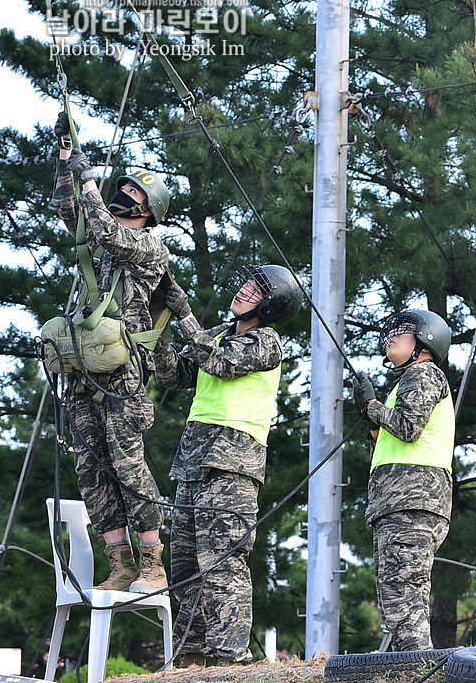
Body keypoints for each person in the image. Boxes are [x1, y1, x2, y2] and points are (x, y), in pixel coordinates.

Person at [154, 264, 301, 667]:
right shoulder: (217, 335)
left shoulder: (267, 342)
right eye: (247, 284)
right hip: (194, 462)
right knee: (185, 567)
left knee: (221, 564)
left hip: (232, 464)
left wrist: (184, 316)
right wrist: (162, 326)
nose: (243, 290)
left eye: (256, 289)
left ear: (271, 305)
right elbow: (171, 374)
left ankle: (229, 659)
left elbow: (220, 363)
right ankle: (192, 657)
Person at [51, 112, 171, 593]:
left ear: (148, 211)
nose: (124, 196)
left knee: (127, 466)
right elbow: (68, 208)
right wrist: (66, 157)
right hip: (84, 371)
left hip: (122, 377)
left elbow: (105, 230)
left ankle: (151, 562)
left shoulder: (147, 246)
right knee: (93, 470)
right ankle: (120, 562)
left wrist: (92, 183)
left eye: (133, 194)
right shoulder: (100, 236)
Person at [351, 309, 455, 652]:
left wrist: (372, 405)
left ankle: (416, 668)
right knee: (398, 598)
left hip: (412, 502)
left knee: (404, 599)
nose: (392, 335)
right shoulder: (407, 381)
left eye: (403, 330)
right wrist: (371, 416)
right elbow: (390, 437)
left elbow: (408, 428)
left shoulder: (423, 373)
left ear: (426, 341)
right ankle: (407, 667)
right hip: (403, 503)